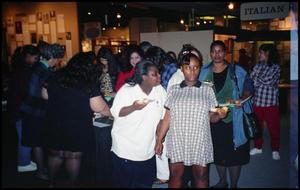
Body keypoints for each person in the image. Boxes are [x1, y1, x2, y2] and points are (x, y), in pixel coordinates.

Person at [155, 51, 227, 188]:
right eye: (188, 67)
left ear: (200, 68)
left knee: (201, 174)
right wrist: (159, 140)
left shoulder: (207, 90)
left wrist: (219, 115)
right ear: (181, 69)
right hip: (177, 139)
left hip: (199, 140)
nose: (192, 71)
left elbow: (212, 117)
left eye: (196, 67)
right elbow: (167, 118)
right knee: (176, 174)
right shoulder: (174, 90)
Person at [42, 52, 112, 187]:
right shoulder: (88, 82)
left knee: (54, 154)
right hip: (77, 124)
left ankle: (51, 184)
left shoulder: (56, 75)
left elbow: (44, 94)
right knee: (73, 156)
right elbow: (99, 107)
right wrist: (110, 112)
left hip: (54, 121)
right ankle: (72, 185)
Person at [199, 40, 253, 188]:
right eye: (214, 51)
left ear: (225, 53)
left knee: (235, 153)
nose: (217, 54)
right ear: (210, 53)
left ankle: (234, 185)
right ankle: (222, 181)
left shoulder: (237, 70)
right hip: (213, 119)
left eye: (220, 51)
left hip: (234, 118)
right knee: (217, 152)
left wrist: (241, 99)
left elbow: (248, 86)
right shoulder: (203, 72)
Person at [110, 60, 166, 188]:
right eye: (154, 74)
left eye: (159, 73)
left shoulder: (159, 91)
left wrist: (159, 140)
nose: (159, 77)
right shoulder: (127, 90)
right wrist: (133, 107)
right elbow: (116, 112)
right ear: (143, 77)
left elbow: (163, 118)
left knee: (144, 184)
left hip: (147, 150)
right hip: (125, 149)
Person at [20, 42, 65, 180]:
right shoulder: (43, 71)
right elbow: (38, 94)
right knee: (37, 143)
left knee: (37, 142)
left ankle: (42, 168)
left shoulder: (39, 67)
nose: (58, 62)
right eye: (58, 59)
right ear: (52, 57)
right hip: (35, 112)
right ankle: (41, 171)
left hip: (31, 110)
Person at [7, 45, 39, 172]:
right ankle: (23, 163)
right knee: (24, 136)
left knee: (23, 135)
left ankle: (24, 159)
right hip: (21, 109)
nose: (36, 60)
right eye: (35, 58)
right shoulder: (25, 71)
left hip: (16, 108)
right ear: (28, 56)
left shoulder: (18, 68)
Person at [249, 44, 281, 160]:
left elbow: (268, 80)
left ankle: (275, 149)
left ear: (267, 53)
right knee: (257, 127)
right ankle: (258, 147)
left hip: (271, 103)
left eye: (261, 52)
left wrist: (257, 77)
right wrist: (257, 77)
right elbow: (251, 79)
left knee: (274, 128)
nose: (259, 55)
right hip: (257, 101)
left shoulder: (276, 67)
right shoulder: (258, 65)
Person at [144, 46, 170, 184]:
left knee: (160, 145)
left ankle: (163, 176)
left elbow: (164, 111)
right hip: (156, 117)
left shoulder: (158, 85)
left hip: (160, 119)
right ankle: (162, 174)